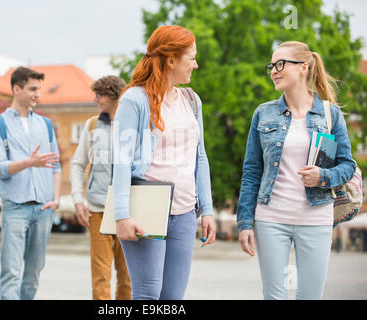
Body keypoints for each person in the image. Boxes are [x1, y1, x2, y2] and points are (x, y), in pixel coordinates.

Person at [236, 41, 356, 300]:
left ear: (304, 67)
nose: (273, 71)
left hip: (316, 218)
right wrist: (245, 222)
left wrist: (322, 177)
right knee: (275, 295)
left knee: (310, 296)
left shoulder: (330, 115)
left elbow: (348, 165)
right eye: (271, 65)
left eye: (280, 64)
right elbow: (252, 172)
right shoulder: (263, 114)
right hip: (271, 218)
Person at [112, 25, 216, 300]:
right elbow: (121, 160)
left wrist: (207, 210)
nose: (196, 64)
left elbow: (200, 156)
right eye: (191, 57)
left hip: (184, 212)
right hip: (146, 207)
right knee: (148, 294)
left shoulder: (192, 100)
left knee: (173, 296)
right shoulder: (135, 99)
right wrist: (122, 215)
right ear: (171, 59)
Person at [0, 66, 61, 300]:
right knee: (11, 272)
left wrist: (56, 200)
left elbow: (56, 166)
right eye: (32, 89)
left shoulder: (46, 125)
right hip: (15, 208)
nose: (37, 94)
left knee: (33, 273)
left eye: (39, 89)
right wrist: (29, 163)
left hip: (43, 209)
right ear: (16, 89)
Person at [70, 75, 131, 300]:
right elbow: (78, 164)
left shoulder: (134, 124)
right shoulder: (92, 125)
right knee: (100, 274)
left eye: (100, 94)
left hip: (128, 210)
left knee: (128, 276)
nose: (95, 99)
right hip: (98, 208)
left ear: (114, 95)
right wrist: (78, 199)